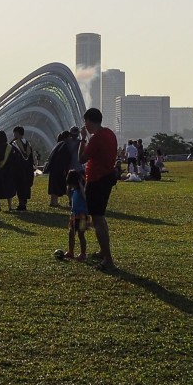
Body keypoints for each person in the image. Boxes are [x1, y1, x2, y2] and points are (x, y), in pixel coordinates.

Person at [80, 108, 118, 271]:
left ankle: (108, 259)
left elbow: (81, 158)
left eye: (85, 122)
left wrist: (83, 139)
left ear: (88, 121)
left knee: (97, 219)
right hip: (107, 177)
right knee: (100, 217)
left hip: (96, 179)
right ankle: (103, 251)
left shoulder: (96, 139)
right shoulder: (110, 133)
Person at [64, 169, 89, 261]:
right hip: (74, 214)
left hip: (82, 216)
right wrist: (68, 187)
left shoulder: (82, 190)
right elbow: (68, 194)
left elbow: (85, 197)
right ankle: (71, 251)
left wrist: (82, 185)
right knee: (71, 233)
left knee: (81, 234)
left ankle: (83, 254)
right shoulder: (73, 191)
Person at [10, 126, 35, 211]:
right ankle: (23, 203)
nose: (14, 135)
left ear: (17, 133)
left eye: (14, 133)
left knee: (20, 186)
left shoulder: (14, 144)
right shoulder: (28, 144)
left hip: (18, 169)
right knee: (25, 186)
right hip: (27, 169)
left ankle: (21, 205)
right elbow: (31, 158)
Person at [46, 131, 72, 207]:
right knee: (56, 185)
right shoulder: (64, 145)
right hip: (59, 169)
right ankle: (54, 202)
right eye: (69, 137)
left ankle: (53, 202)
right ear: (66, 137)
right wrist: (64, 169)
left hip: (55, 168)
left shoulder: (59, 144)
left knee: (54, 185)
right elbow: (64, 158)